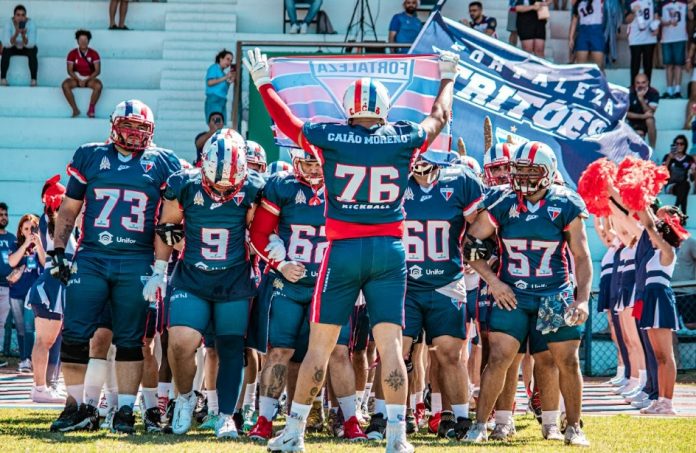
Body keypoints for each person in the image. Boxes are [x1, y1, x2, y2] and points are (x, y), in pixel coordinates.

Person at [244, 46, 458, 453]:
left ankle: (294, 432)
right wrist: (447, 77)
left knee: (320, 349)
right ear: (384, 108)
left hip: (342, 249)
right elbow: (438, 118)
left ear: (348, 109)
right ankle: (397, 437)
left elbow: (287, 123)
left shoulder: (330, 137)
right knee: (393, 348)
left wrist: (263, 82)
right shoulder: (401, 138)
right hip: (390, 250)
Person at [48, 99, 181, 434]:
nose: (134, 133)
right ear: (114, 125)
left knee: (130, 339)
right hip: (92, 256)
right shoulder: (90, 155)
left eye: (141, 128)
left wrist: (160, 269)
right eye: (129, 125)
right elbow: (68, 210)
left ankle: (124, 410)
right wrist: (58, 251)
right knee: (76, 335)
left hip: (136, 258)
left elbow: (167, 223)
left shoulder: (163, 162)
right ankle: (76, 407)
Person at [463, 142, 592, 446]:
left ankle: (571, 426)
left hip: (554, 293)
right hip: (514, 295)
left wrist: (582, 297)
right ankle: (481, 425)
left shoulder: (566, 203)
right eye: (519, 169)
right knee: (498, 358)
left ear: (547, 173)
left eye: (531, 170)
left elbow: (583, 257)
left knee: (566, 361)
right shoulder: (503, 203)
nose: (523, 177)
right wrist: (493, 281)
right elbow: (470, 245)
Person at [143, 128, 263, 438]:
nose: (223, 190)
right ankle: (184, 399)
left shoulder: (252, 189)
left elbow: (258, 233)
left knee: (230, 347)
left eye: (230, 185)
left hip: (233, 278)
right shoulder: (183, 184)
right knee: (181, 342)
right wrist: (159, 270)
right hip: (192, 276)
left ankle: (225, 414)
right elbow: (167, 227)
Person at [247, 148, 367, 441]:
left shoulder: (344, 189)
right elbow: (259, 233)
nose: (314, 170)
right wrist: (281, 263)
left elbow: (360, 237)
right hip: (288, 283)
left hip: (330, 286)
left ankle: (351, 420)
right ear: (296, 162)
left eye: (318, 164)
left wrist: (356, 278)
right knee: (280, 352)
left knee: (339, 353)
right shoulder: (282, 187)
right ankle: (264, 419)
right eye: (308, 163)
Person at [400, 150, 483, 440]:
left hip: (446, 280)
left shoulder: (459, 180)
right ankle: (389, 416)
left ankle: (461, 418)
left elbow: (480, 227)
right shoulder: (394, 178)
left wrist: (480, 258)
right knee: (396, 353)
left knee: (450, 354)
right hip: (404, 283)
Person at [635, 206, 688, 414]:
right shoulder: (656, 250)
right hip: (650, 298)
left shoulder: (668, 250)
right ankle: (660, 400)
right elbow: (648, 226)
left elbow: (649, 226)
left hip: (660, 298)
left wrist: (641, 201)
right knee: (658, 355)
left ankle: (667, 402)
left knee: (666, 355)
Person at [29, 176, 75, 403]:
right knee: (45, 341)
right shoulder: (53, 221)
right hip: (52, 285)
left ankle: (46, 386)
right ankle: (40, 388)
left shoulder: (53, 221)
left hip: (55, 283)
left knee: (50, 341)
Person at [7, 214, 44, 374]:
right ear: (21, 231)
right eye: (26, 228)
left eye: (33, 228)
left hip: (33, 292)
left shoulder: (40, 245)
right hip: (16, 293)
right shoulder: (16, 245)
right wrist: (25, 245)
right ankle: (23, 359)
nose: (30, 231)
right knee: (21, 328)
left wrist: (38, 244)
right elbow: (12, 262)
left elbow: (45, 262)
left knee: (30, 327)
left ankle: (28, 359)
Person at [62, 29, 102, 118]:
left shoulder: (94, 53)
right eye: (81, 40)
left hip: (89, 78)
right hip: (76, 78)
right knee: (65, 85)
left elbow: (97, 71)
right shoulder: (72, 53)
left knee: (98, 86)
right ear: (77, 41)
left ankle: (91, 109)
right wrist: (78, 80)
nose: (83, 42)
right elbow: (69, 70)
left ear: (88, 41)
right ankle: (75, 109)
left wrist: (86, 80)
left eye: (85, 40)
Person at [1, 4, 38, 87]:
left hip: (26, 48)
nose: (20, 17)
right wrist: (16, 33)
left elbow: (31, 44)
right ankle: (3, 79)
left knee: (33, 50)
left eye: (23, 15)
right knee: (5, 50)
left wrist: (23, 35)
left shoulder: (31, 24)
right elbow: (6, 44)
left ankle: (33, 80)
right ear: (14, 16)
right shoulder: (8, 24)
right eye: (18, 15)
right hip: (12, 47)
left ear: (26, 16)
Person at [626, 0, 660, 84]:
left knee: (648, 64)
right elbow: (627, 20)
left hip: (649, 37)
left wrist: (656, 28)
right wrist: (634, 12)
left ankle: (647, 88)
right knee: (635, 64)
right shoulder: (630, 1)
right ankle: (633, 88)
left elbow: (656, 16)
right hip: (635, 38)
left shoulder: (653, 1)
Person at [660, 0, 688, 98]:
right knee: (668, 65)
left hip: (680, 37)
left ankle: (677, 90)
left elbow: (691, 17)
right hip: (666, 38)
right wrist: (667, 22)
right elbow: (657, 20)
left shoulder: (684, 3)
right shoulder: (663, 3)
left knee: (678, 65)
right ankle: (669, 90)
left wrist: (692, 6)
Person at [569, 0, 606, 69]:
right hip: (583, 32)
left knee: (599, 67)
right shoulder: (578, 3)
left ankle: (601, 79)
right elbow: (574, 21)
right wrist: (571, 38)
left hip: (596, 31)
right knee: (580, 66)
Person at [662, 135, 694, 213]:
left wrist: (693, 171)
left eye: (682, 144)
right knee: (685, 186)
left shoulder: (689, 158)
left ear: (685, 145)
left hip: (684, 185)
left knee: (685, 185)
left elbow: (692, 177)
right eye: (677, 143)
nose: (679, 145)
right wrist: (669, 158)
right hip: (671, 186)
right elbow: (662, 171)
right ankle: (679, 210)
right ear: (674, 145)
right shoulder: (667, 156)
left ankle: (676, 208)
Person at [627, 73, 659, 148]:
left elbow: (650, 113)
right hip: (631, 119)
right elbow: (624, 113)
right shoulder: (628, 91)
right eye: (638, 83)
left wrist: (641, 99)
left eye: (643, 82)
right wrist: (643, 116)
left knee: (650, 120)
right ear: (634, 83)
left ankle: (652, 149)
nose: (640, 85)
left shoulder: (653, 93)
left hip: (645, 121)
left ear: (648, 83)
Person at [0, 203, 15, 363]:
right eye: (0, 214)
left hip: (7, 287)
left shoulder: (12, 238)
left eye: (5, 214)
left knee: (1, 324)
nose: (3, 217)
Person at [205, 50, 235, 124]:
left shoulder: (223, 73)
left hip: (222, 100)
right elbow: (210, 82)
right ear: (221, 59)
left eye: (231, 61)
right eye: (227, 59)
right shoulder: (214, 68)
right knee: (215, 122)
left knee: (221, 123)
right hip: (214, 99)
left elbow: (224, 90)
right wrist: (225, 77)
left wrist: (229, 82)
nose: (229, 63)